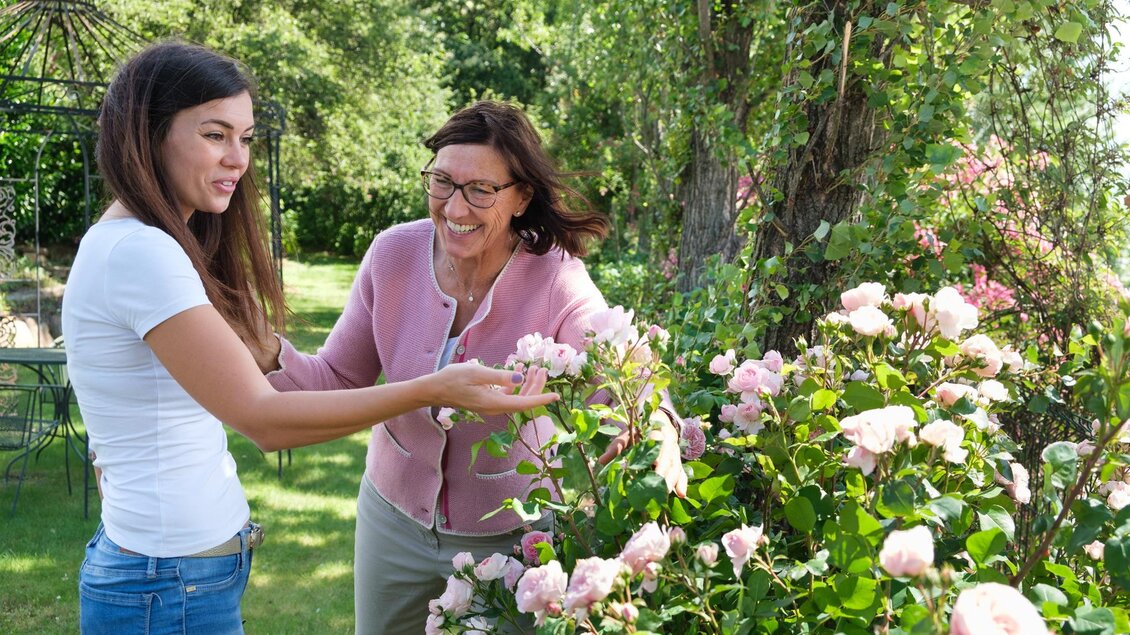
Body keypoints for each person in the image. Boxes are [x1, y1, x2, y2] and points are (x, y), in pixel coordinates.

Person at [61, 43, 556, 635]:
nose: (237, 158)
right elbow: (264, 420)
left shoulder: (130, 243)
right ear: (151, 135)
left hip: (172, 571)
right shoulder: (143, 251)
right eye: (215, 134)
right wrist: (431, 389)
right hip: (168, 582)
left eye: (245, 138)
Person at [253, 100, 688, 633]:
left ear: (522, 196)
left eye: (481, 189)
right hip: (390, 524)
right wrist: (267, 348)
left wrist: (660, 422)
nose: (455, 208)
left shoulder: (555, 278)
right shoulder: (393, 255)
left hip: (509, 544)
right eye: (442, 182)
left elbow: (619, 358)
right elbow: (338, 380)